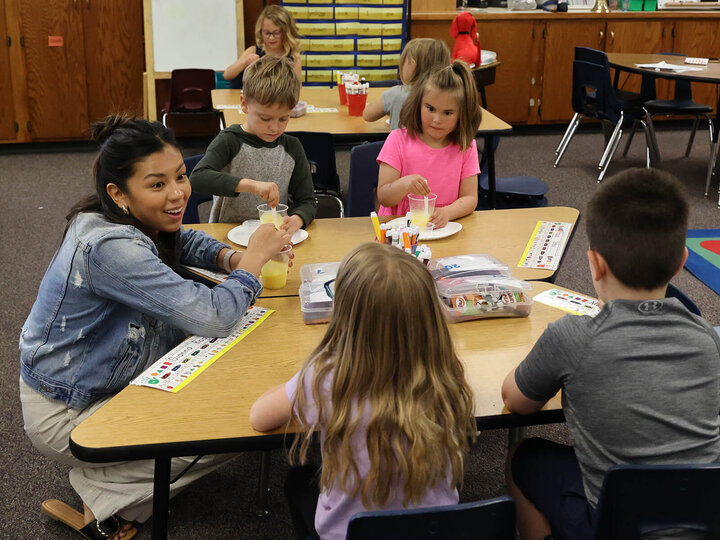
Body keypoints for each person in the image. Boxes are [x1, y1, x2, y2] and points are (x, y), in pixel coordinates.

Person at [19, 115, 291, 540]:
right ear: (118, 193)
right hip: (65, 410)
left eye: (181, 176)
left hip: (107, 379)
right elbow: (215, 316)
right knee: (240, 425)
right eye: (157, 184)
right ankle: (106, 494)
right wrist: (254, 259)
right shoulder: (108, 247)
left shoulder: (118, 216)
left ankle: (118, 479)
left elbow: (182, 237)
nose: (178, 192)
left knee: (230, 396)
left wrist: (232, 259)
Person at [501, 168, 720, 540]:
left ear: (595, 263)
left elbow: (516, 401)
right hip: (702, 518)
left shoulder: (570, 338)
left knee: (523, 458)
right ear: (682, 261)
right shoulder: (706, 337)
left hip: (613, 524)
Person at [249, 242, 477, 540]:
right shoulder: (444, 372)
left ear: (345, 315)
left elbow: (260, 417)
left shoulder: (328, 376)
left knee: (298, 481)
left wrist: (308, 371)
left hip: (350, 534)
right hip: (436, 531)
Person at [191, 55, 316, 235]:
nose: (274, 127)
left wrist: (298, 218)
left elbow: (307, 202)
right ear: (244, 104)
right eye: (265, 118)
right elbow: (197, 178)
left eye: (283, 118)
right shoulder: (230, 140)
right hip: (228, 235)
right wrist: (250, 185)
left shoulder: (292, 148)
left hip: (272, 235)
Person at [375, 60, 481, 229]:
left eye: (447, 113)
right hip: (399, 232)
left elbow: (470, 198)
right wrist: (404, 184)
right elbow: (384, 197)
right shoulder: (397, 140)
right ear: (418, 104)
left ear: (462, 115)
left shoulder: (466, 147)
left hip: (443, 229)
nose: (437, 120)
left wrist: (447, 212)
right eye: (430, 109)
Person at [363, 38, 451, 131]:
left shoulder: (397, 93)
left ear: (412, 65)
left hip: (400, 145)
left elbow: (367, 115)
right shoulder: (451, 95)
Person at [223, 5, 302, 89]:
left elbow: (298, 89)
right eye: (267, 33)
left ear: (286, 32)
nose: (271, 37)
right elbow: (227, 75)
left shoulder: (294, 57)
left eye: (276, 33)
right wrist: (245, 63)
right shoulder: (253, 51)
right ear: (260, 31)